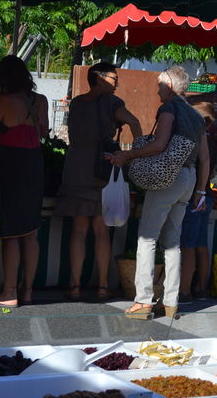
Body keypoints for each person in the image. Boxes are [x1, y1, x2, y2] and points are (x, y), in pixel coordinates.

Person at [109, 66, 209, 319]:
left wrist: (128, 154)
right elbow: (205, 158)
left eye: (159, 85)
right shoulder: (197, 117)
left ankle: (143, 301)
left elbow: (159, 144)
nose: (157, 89)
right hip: (189, 178)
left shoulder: (169, 109)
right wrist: (200, 191)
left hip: (168, 177)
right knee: (173, 240)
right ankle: (171, 301)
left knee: (147, 238)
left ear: (169, 86)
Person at [56, 63, 142, 302]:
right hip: (102, 169)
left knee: (78, 230)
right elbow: (134, 122)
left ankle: (74, 286)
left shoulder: (77, 103)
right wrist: (140, 152)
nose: (117, 82)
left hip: (75, 169)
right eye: (114, 78)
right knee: (102, 231)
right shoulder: (113, 104)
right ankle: (103, 286)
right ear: (99, 78)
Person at [0, 56, 48, 306]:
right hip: (34, 165)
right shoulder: (39, 101)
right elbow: (44, 131)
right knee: (30, 232)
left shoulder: (4, 100)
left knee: (10, 233)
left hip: (11, 166)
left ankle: (9, 293)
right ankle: (28, 290)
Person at [178, 103, 217, 305]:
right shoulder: (212, 140)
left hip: (196, 195)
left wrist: (198, 191)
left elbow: (203, 166)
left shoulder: (201, 140)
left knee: (188, 244)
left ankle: (185, 290)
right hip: (206, 195)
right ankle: (201, 287)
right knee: (200, 243)